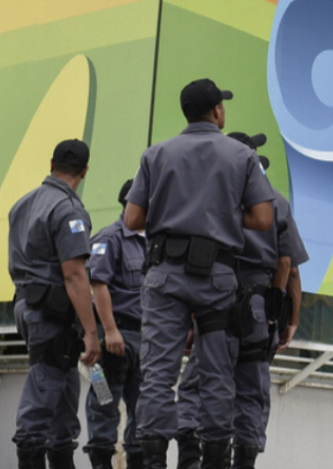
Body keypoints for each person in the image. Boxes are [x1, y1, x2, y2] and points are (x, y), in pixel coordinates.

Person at [125, 78, 274, 469]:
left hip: (164, 276)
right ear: (217, 112)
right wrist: (222, 212)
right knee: (217, 373)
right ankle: (213, 461)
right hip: (217, 277)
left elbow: (132, 218)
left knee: (158, 371)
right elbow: (262, 219)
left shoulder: (155, 154)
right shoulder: (240, 156)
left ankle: (154, 460)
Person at [177, 131, 307, 469]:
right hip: (257, 307)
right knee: (251, 387)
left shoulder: (210, 199)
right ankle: (244, 461)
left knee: (200, 382)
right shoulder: (276, 202)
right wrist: (285, 318)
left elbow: (193, 262)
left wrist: (191, 317)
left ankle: (194, 458)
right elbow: (286, 265)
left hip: (214, 301)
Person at [9, 139, 101, 469]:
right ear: (85, 171)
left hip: (29, 306)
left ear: (52, 164)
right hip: (53, 315)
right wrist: (91, 332)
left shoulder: (23, 203)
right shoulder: (69, 209)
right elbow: (75, 274)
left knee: (64, 398)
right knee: (42, 396)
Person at [83, 179, 146, 469]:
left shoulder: (153, 244)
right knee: (103, 402)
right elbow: (98, 284)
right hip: (111, 340)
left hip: (143, 342)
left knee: (143, 409)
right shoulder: (109, 238)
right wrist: (109, 330)